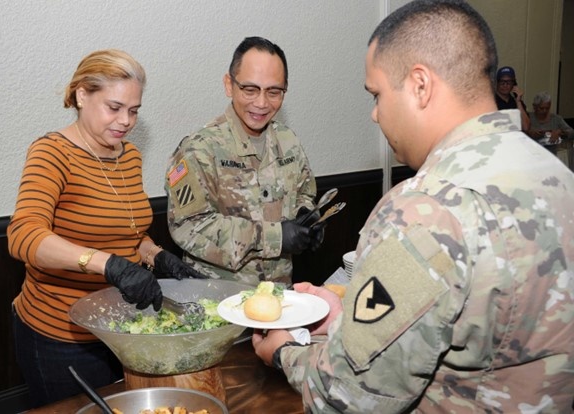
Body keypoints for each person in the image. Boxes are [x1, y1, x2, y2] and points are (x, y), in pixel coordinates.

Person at [252, 1, 574, 412]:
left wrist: (283, 351)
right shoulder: (557, 176)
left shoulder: (425, 209)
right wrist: (348, 314)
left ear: (420, 85)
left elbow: (352, 396)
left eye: (377, 94)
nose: (374, 114)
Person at [8, 49, 204, 408]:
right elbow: (24, 236)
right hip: (60, 336)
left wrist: (156, 256)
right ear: (82, 95)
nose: (125, 120)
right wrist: (108, 264)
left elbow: (127, 232)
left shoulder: (128, 155)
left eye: (134, 110)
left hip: (119, 328)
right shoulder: (52, 153)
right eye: (114, 107)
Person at [164, 36, 323, 286]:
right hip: (219, 302)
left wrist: (307, 217)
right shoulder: (199, 149)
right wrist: (275, 237)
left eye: (273, 92)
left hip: (277, 297)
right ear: (229, 85)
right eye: (250, 89)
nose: (261, 103)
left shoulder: (287, 140)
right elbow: (190, 227)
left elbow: (304, 192)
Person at [494, 65, 531, 132]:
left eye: (509, 82)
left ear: (514, 84)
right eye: (502, 82)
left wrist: (518, 102)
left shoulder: (517, 102)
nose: (505, 85)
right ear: (497, 83)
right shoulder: (491, 102)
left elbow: (526, 127)